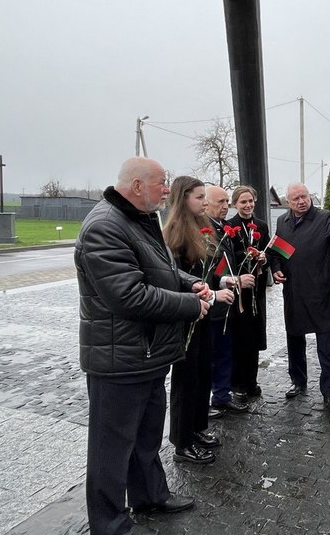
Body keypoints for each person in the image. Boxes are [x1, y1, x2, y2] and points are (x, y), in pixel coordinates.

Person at [75, 157, 210, 535]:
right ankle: (110, 524)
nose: (167, 189)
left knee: (145, 437)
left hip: (145, 354)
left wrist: (188, 282)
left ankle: (150, 494)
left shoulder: (137, 219)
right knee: (111, 449)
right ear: (137, 186)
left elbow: (159, 268)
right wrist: (190, 305)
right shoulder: (104, 227)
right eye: (161, 182)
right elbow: (129, 296)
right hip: (118, 361)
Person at [163, 176, 235, 465]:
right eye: (199, 197)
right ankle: (182, 442)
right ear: (184, 199)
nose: (205, 202)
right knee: (186, 380)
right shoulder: (175, 234)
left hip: (201, 314)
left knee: (202, 373)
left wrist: (223, 280)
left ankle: (196, 429)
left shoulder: (199, 228)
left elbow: (207, 270)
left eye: (205, 196)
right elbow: (175, 279)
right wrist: (212, 296)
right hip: (186, 317)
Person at [269, 182, 330, 411]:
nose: (301, 201)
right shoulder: (282, 222)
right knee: (294, 338)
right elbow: (276, 251)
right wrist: (275, 268)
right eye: (296, 199)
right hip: (293, 290)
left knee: (326, 343)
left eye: (304, 196)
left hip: (319, 290)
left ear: (310, 196)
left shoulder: (325, 218)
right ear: (288, 202)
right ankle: (298, 380)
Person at [205, 185, 254, 414]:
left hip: (226, 304)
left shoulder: (221, 226)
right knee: (212, 355)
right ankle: (206, 401)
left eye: (227, 201)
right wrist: (229, 280)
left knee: (225, 353)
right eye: (220, 202)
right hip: (212, 303)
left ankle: (222, 396)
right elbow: (206, 270)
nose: (225, 206)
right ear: (206, 204)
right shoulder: (204, 231)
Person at [225, 185, 271, 401]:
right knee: (239, 337)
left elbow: (268, 251)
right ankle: (238, 383)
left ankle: (251, 380)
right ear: (235, 204)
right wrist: (245, 255)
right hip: (237, 290)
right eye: (243, 202)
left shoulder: (261, 225)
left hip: (256, 289)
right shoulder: (230, 226)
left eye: (250, 201)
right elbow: (226, 257)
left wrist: (264, 258)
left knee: (254, 336)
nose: (248, 205)